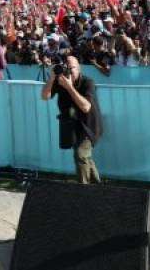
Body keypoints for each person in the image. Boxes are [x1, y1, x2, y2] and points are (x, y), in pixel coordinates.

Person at [40, 56, 103, 184]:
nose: (68, 71)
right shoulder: (60, 81)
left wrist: (69, 87)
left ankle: (83, 189)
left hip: (89, 125)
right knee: (85, 157)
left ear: (79, 69)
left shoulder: (87, 82)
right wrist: (52, 78)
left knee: (80, 154)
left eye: (72, 68)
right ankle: (97, 186)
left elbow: (86, 107)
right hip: (72, 125)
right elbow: (44, 96)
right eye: (66, 68)